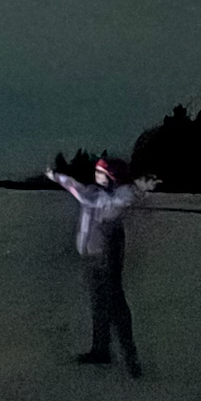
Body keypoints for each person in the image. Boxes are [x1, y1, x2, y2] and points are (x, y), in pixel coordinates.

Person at [44, 157, 159, 378]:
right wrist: (54, 176)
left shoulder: (114, 198)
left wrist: (139, 186)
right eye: (96, 172)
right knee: (98, 304)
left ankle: (131, 358)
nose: (97, 176)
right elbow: (72, 185)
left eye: (101, 173)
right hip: (91, 258)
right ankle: (101, 350)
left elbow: (123, 199)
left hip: (107, 258)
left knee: (116, 306)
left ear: (111, 177)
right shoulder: (91, 194)